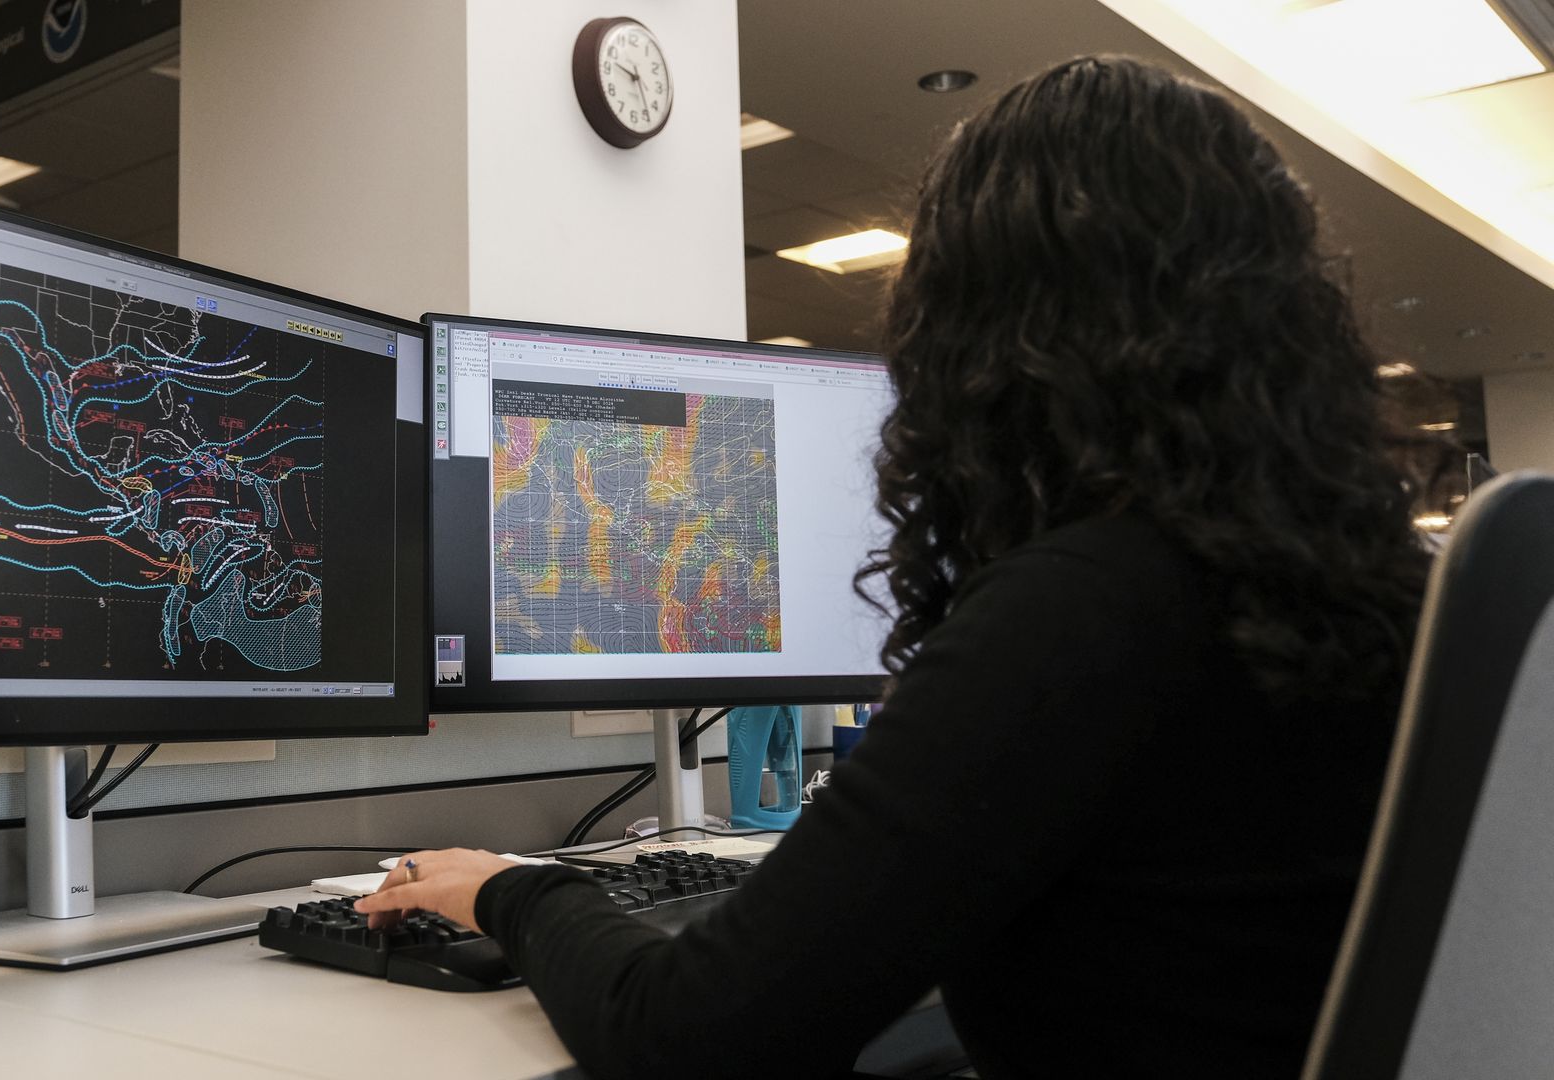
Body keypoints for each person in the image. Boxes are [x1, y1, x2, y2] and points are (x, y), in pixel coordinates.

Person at [356, 55, 1439, 1079]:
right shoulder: (1394, 596)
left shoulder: (1086, 612)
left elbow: (688, 1038)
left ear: (980, 336)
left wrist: (516, 893)